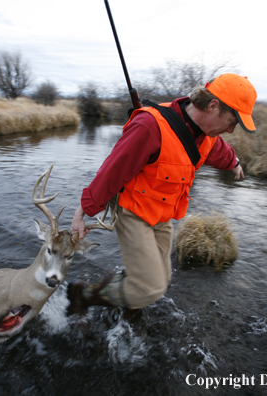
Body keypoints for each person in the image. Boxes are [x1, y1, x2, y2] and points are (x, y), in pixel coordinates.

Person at [68, 73, 257, 317]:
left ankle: (129, 307)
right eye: (232, 122)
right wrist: (82, 212)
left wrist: (235, 162)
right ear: (213, 106)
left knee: (162, 278)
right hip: (133, 210)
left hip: (161, 215)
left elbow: (219, 150)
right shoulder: (150, 126)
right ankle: (82, 295)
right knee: (152, 287)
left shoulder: (208, 136)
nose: (231, 130)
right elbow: (112, 172)